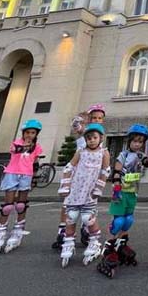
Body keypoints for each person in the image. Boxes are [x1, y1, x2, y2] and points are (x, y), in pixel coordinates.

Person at [97, 123, 148, 278]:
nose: (137, 144)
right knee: (118, 221)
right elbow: (116, 171)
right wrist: (116, 187)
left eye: (140, 142)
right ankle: (109, 248)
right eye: (135, 141)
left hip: (132, 193)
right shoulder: (123, 155)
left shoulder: (141, 156)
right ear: (129, 141)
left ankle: (121, 244)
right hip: (121, 191)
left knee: (128, 220)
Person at [52, 104, 106, 250]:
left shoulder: (100, 134)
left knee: (90, 204)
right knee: (68, 203)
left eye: (100, 118)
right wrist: (79, 118)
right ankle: (63, 230)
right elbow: (76, 125)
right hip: (78, 173)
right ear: (89, 119)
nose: (96, 120)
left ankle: (86, 228)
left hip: (91, 176)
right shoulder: (86, 131)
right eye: (94, 117)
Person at [58, 123, 110, 268]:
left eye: (94, 137)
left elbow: (105, 171)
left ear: (100, 138)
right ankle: (68, 242)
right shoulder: (81, 151)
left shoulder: (103, 153)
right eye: (89, 138)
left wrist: (99, 188)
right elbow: (70, 167)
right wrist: (65, 185)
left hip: (90, 191)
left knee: (88, 217)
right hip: (76, 189)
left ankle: (94, 241)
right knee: (71, 216)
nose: (91, 140)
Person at [0, 120, 43, 255]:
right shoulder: (17, 143)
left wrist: (34, 179)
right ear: (23, 133)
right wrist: (25, 145)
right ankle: (0, 231)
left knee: (21, 205)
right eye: (27, 132)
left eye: (33, 133)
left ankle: (18, 229)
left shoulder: (37, 147)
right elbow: (16, 150)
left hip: (26, 175)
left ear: (36, 134)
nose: (29, 135)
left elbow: (35, 162)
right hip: (12, 173)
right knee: (8, 205)